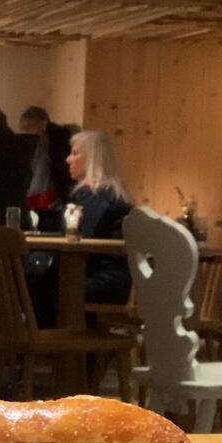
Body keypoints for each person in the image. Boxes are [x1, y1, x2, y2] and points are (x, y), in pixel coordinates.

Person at [65, 130, 134, 304]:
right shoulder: (109, 193)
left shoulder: (98, 197)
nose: (68, 159)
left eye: (75, 153)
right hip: (115, 279)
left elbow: (80, 239)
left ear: (92, 158)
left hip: (102, 280)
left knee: (41, 288)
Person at [17, 106, 76, 214]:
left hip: (50, 198)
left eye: (29, 127)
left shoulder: (47, 142)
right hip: (56, 195)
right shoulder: (57, 138)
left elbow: (44, 172)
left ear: (42, 124)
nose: (28, 132)